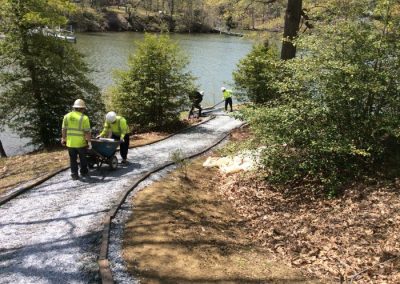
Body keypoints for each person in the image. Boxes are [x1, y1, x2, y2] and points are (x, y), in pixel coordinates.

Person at [61, 99, 92, 180]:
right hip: (80, 143)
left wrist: (63, 139)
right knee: (83, 158)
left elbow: (63, 129)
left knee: (72, 159)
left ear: (75, 107)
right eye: (84, 108)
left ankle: (74, 174)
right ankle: (84, 172)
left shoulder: (67, 116)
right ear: (82, 108)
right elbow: (87, 132)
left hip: (70, 143)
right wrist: (89, 142)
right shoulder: (84, 118)